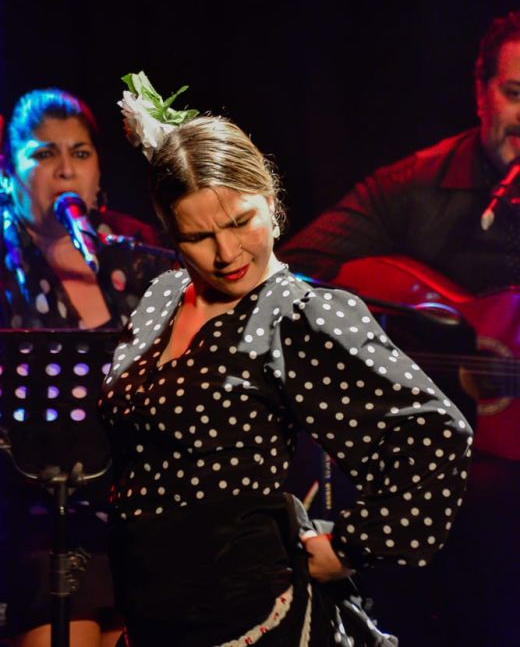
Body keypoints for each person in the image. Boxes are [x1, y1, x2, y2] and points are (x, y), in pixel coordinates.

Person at [98, 72, 472, 646]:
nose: (226, 254)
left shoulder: (297, 313)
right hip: (153, 614)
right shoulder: (163, 296)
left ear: (270, 201)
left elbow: (434, 433)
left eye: (239, 222)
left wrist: (350, 549)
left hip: (247, 619)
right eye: (198, 236)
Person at [278, 9, 520, 645]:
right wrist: (393, 328)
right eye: (515, 94)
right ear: (480, 89)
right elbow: (293, 272)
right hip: (444, 478)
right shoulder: (415, 186)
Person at [0, 88, 173, 647]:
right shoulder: (5, 266)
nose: (65, 169)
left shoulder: (138, 254)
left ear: (99, 173)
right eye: (44, 154)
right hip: (33, 507)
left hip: (139, 502)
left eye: (79, 153)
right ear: (10, 172)